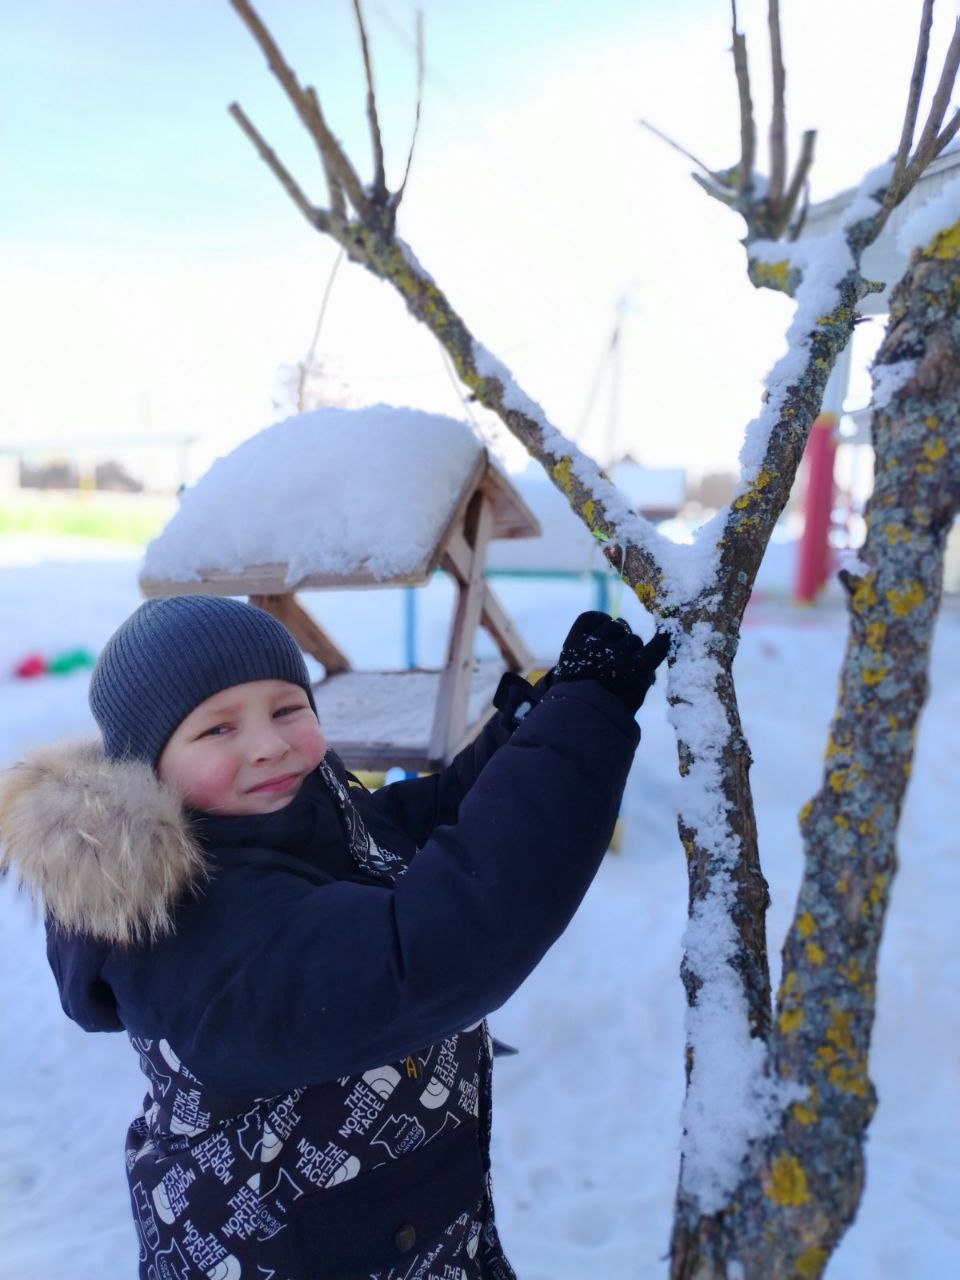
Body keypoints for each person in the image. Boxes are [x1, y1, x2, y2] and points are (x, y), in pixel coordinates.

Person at [0, 595, 668, 1280]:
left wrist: (542, 719)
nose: (269, 744)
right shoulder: (196, 931)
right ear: (148, 771)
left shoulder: (278, 810)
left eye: (287, 708)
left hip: (404, 1224)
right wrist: (582, 729)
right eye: (217, 729)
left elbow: (411, 827)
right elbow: (434, 948)